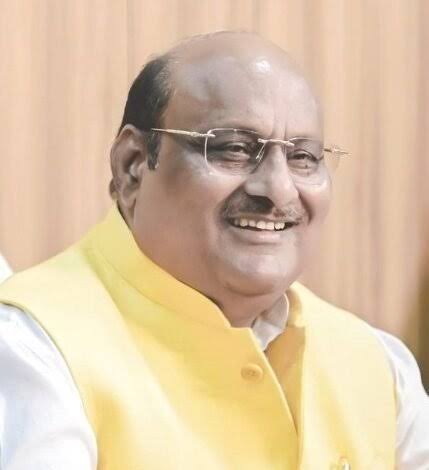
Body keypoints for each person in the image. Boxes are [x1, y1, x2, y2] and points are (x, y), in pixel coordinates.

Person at [0, 31, 427, 470]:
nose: (280, 189)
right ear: (132, 166)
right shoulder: (30, 349)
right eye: (234, 149)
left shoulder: (376, 365)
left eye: (303, 157)